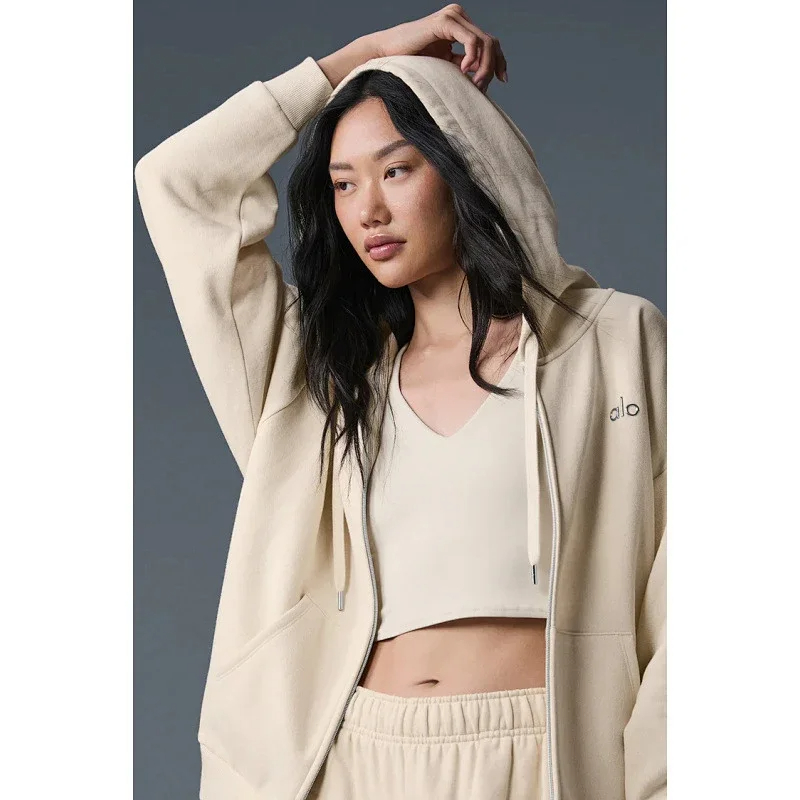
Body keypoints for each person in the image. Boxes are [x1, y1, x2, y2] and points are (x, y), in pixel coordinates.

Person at [134, 5, 666, 799]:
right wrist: (357, 59)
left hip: (546, 759)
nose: (368, 210)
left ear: (466, 167)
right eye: (343, 184)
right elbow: (177, 186)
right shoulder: (320, 381)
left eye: (396, 170)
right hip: (354, 759)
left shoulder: (614, 342)